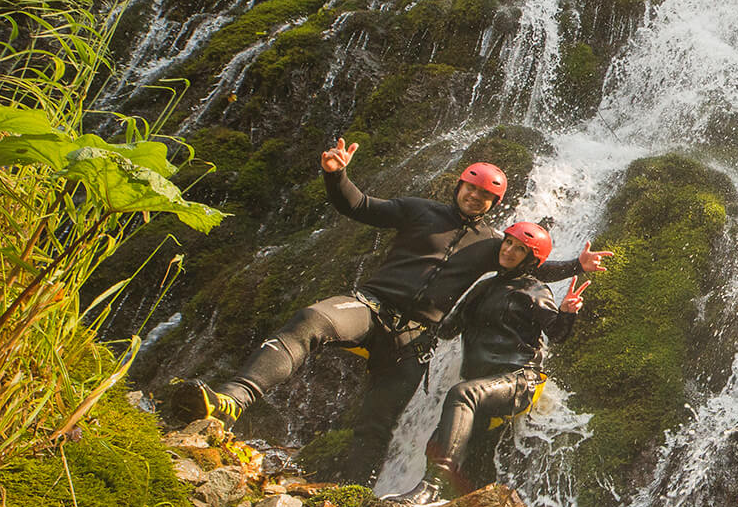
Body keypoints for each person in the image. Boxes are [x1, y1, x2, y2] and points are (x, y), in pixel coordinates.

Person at [162, 139, 611, 482]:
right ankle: (231, 401)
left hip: (414, 340)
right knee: (312, 320)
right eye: (470, 189)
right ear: (459, 186)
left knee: (376, 426)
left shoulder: (495, 244)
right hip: (371, 308)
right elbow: (358, 206)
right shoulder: (418, 211)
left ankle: (351, 501)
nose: (475, 198)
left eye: (484, 196)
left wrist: (577, 265)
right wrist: (336, 175)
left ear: (496, 204)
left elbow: (527, 261)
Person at [392, 221, 587, 506]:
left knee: (462, 394)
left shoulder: (535, 290)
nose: (509, 250)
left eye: (519, 249)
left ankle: (430, 487)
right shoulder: (482, 288)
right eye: (508, 243)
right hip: (484, 383)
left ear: (531, 259)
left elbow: (557, 333)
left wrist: (567, 312)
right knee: (452, 442)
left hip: (520, 379)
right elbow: (447, 329)